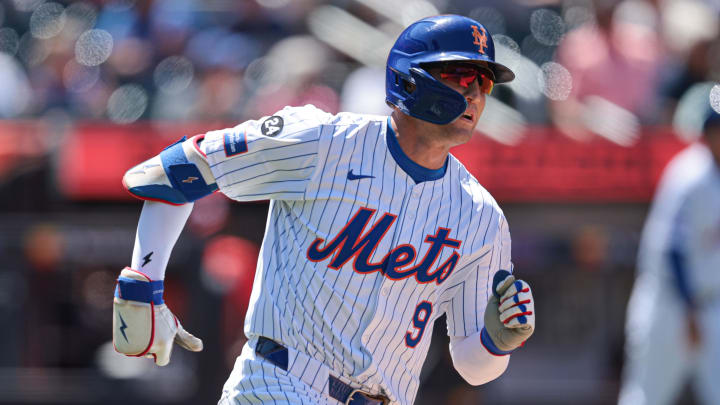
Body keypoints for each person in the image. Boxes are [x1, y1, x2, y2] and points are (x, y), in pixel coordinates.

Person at [112, 15, 536, 405]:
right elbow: (177, 169)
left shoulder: (481, 216)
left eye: (484, 83)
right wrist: (143, 281)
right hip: (281, 383)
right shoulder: (323, 141)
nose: (475, 94)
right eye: (461, 76)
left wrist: (499, 340)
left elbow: (472, 365)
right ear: (410, 80)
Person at [618, 108, 720, 405]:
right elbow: (673, 249)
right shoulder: (690, 174)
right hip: (670, 306)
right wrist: (690, 312)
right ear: (710, 133)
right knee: (646, 397)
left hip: (709, 306)